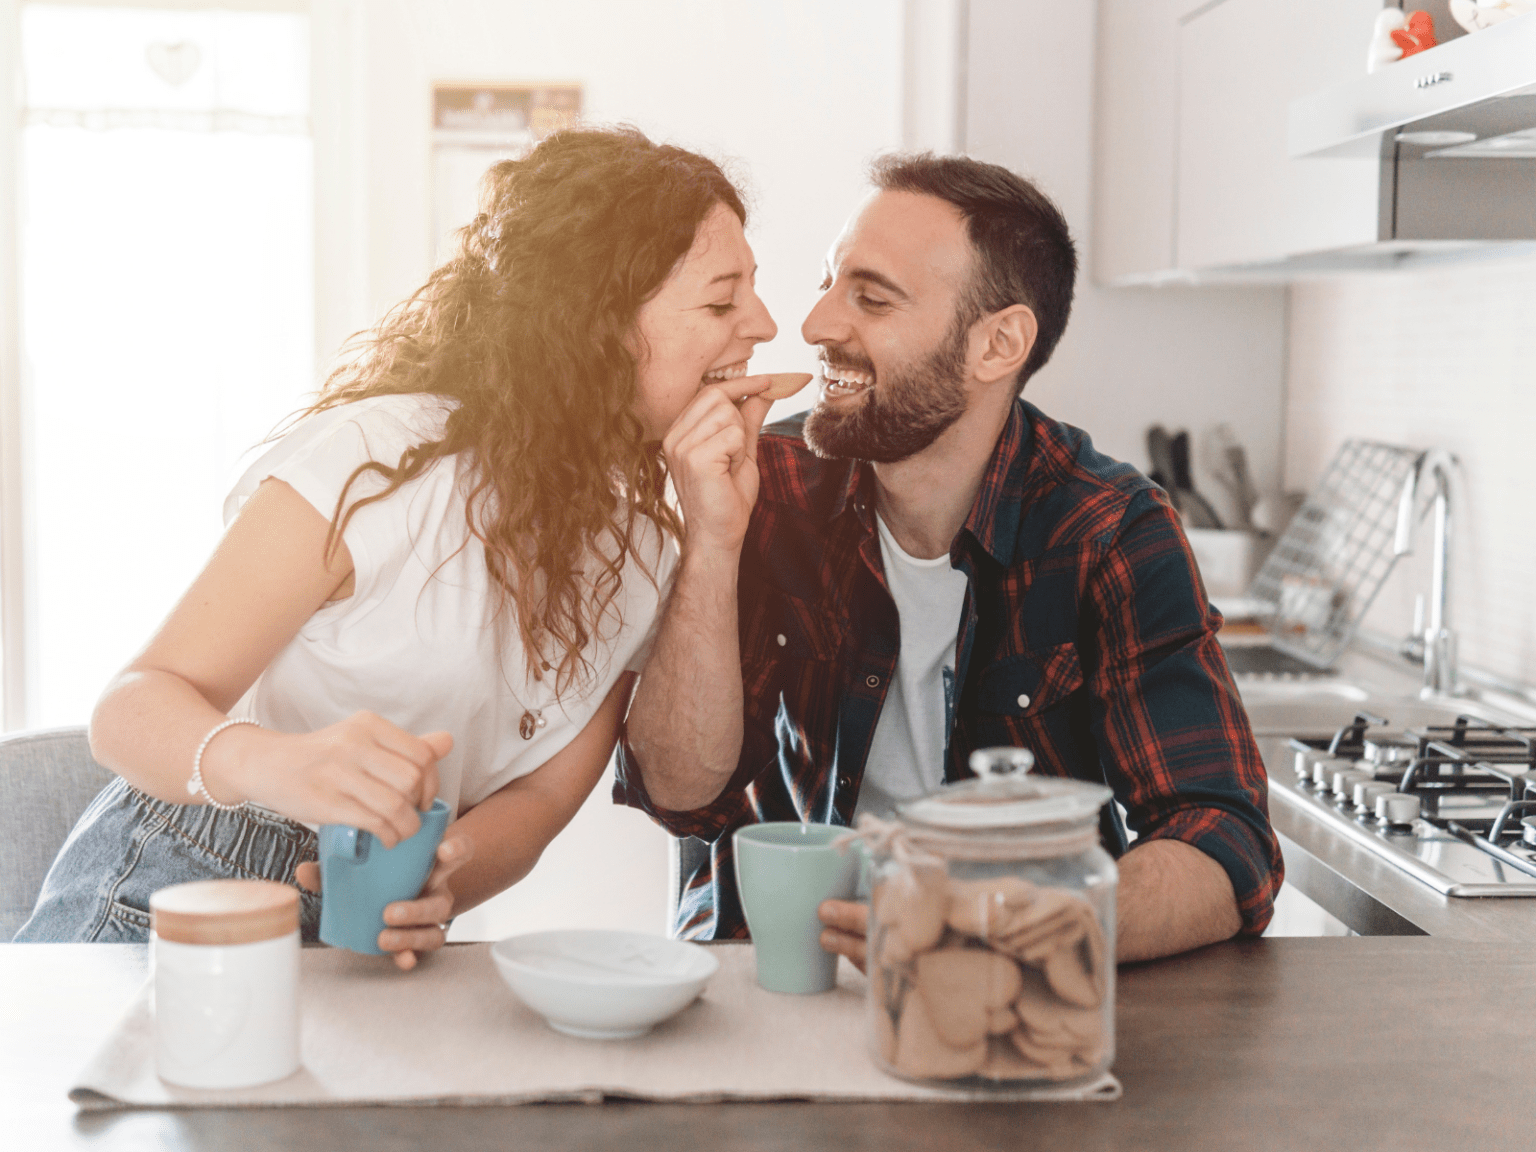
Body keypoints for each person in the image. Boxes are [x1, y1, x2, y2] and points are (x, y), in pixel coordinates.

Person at [15, 126, 780, 967]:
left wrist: (441, 883)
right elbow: (129, 709)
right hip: (169, 890)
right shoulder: (374, 461)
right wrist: (281, 766)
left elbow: (547, 797)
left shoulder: (641, 553)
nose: (765, 323)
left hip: (372, 932)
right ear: (596, 325)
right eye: (720, 301)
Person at [617, 152, 1283, 965]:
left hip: (1004, 1001)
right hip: (769, 976)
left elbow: (1225, 843)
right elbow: (679, 792)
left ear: (998, 343)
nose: (817, 324)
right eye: (829, 283)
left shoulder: (1107, 529)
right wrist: (712, 542)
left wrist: (1019, 928)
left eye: (871, 297)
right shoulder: (763, 489)